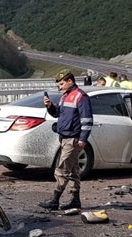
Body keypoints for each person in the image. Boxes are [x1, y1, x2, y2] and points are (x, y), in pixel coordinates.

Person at [38, 72, 93, 210]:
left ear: (70, 81)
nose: (60, 87)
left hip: (73, 139)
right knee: (74, 171)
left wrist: (83, 139)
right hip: (64, 137)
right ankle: (75, 199)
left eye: (62, 84)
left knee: (62, 169)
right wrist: (50, 106)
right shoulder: (65, 96)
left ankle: (55, 199)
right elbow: (58, 113)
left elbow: (87, 120)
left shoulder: (80, 96)